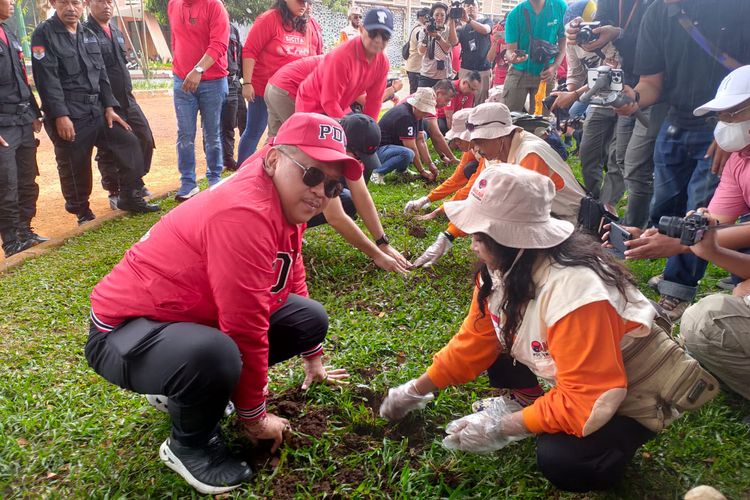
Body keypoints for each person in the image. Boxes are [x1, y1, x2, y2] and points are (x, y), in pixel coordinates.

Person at [86, 113, 359, 495]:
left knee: (307, 319)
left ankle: (181, 387)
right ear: (274, 157)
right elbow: (245, 327)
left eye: (333, 186)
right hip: (122, 332)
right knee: (218, 353)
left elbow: (290, 267)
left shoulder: (280, 193)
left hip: (177, 320)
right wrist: (255, 418)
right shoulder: (245, 213)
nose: (320, 193)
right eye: (312, 175)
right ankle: (188, 446)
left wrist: (312, 355)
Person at [381, 165, 670, 492]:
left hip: (627, 390)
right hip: (576, 374)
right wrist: (416, 389)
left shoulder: (577, 296)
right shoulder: (503, 271)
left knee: (564, 459)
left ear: (508, 239)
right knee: (500, 338)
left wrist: (502, 428)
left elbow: (588, 401)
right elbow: (475, 341)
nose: (472, 245)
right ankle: (529, 400)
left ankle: (618, 442)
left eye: (478, 236)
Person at [615, 0, 750, 319]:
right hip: (681, 120)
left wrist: (683, 243)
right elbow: (716, 220)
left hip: (721, 128)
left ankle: (681, 287)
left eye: (732, 115)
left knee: (703, 205)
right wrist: (631, 99)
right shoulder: (658, 13)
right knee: (677, 207)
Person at [413, 102, 584, 267]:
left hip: (568, 220)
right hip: (540, 216)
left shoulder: (530, 155)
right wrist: (448, 235)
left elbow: (509, 211)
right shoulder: (495, 153)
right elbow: (480, 197)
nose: (477, 150)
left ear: (498, 136)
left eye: (479, 142)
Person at [31, 0, 157, 225]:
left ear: (83, 4)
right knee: (75, 163)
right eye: (64, 3)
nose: (71, 8)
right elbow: (46, 78)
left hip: (96, 109)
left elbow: (101, 74)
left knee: (129, 142)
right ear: (53, 3)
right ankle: (82, 212)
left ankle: (129, 195)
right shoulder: (44, 34)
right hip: (70, 113)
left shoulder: (87, 32)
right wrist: (60, 115)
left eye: (76, 2)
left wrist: (109, 107)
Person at [562, 0, 663, 229]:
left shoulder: (654, 8)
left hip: (643, 91)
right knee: (599, 154)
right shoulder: (604, 9)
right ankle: (595, 207)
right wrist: (568, 92)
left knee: (629, 163)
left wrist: (616, 34)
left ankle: (623, 223)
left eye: (589, 26)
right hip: (613, 94)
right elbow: (575, 72)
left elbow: (620, 58)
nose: (586, 32)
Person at [552, 2, 623, 213]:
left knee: (615, 157)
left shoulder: (608, 34)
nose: (580, 36)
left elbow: (611, 75)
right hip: (597, 100)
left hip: (623, 99)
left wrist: (573, 95)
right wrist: (566, 93)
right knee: (588, 151)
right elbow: (576, 74)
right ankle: (594, 199)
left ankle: (608, 207)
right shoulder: (572, 40)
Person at [84, 0, 155, 209]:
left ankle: (132, 182)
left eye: (109, 2)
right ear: (88, 4)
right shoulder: (86, 33)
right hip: (105, 103)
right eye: (100, 1)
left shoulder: (115, 30)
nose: (106, 5)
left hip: (127, 99)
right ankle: (115, 190)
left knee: (145, 138)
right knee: (110, 149)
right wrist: (106, 104)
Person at [237, 0, 322, 164]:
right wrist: (247, 83)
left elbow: (317, 56)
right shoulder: (269, 19)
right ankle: (241, 170)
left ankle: (271, 168)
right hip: (263, 90)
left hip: (295, 92)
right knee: (255, 130)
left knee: (281, 135)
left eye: (307, 1)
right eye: (299, 1)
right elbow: (250, 50)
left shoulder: (311, 24)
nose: (303, 5)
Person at [168, 0, 230, 201]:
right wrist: (178, 66)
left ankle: (214, 179)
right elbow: (175, 38)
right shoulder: (173, 4)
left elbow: (219, 44)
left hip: (212, 81)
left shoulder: (214, 6)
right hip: (182, 80)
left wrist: (198, 70)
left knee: (211, 134)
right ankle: (188, 182)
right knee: (184, 134)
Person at [0, 0, 47, 257]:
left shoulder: (9, 32)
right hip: (2, 124)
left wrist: (34, 113)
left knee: (27, 180)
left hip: (22, 119)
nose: (11, 3)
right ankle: (10, 242)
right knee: (6, 183)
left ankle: (25, 231)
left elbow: (22, 78)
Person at [296, 7, 392, 121]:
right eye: (373, 33)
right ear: (361, 30)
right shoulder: (342, 57)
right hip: (312, 105)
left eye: (385, 36)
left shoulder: (383, 63)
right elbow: (329, 101)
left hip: (337, 104)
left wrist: (370, 129)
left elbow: (374, 102)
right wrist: (347, 130)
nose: (378, 40)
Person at [404, 109, 483, 215]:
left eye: (459, 139)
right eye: (454, 139)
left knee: (471, 171)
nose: (456, 143)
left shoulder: (485, 153)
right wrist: (427, 199)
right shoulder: (471, 148)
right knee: (468, 169)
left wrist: (438, 211)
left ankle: (478, 203)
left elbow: (472, 186)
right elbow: (456, 180)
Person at [502, 0, 567, 113]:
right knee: (509, 117)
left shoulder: (560, 7)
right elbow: (510, 49)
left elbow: (563, 43)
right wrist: (512, 58)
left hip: (546, 73)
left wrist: (554, 67)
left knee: (541, 123)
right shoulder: (515, 14)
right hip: (519, 73)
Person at [372, 87, 439, 184]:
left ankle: (402, 171)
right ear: (416, 106)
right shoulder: (405, 116)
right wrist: (422, 171)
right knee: (408, 153)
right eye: (424, 111)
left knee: (423, 135)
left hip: (393, 146)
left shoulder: (417, 113)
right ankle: (377, 172)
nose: (425, 114)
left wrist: (430, 164)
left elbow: (420, 140)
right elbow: (412, 147)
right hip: (379, 151)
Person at [265, 55, 323, 139]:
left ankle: (266, 152)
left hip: (273, 85)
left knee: (274, 137)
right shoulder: (335, 64)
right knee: (298, 135)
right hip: (286, 88)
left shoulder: (329, 60)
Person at [219, 22, 247, 171]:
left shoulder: (232, 29)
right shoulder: (208, 25)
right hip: (217, 81)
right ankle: (224, 159)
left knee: (242, 119)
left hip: (235, 81)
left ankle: (245, 156)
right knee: (221, 124)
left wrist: (246, 80)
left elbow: (239, 54)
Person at [456, 0, 492, 104]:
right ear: (463, 8)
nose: (470, 7)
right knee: (463, 100)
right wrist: (451, 20)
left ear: (478, 8)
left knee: (481, 101)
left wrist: (468, 20)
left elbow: (485, 30)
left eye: (473, 5)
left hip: (483, 69)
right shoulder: (461, 28)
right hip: (465, 69)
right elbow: (453, 42)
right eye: (467, 5)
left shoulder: (486, 20)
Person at [416, 2, 458, 88]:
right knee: (424, 100)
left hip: (444, 76)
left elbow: (448, 48)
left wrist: (437, 37)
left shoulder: (448, 30)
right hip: (427, 74)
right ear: (432, 16)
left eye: (442, 15)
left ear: (446, 17)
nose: (439, 18)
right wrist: (427, 36)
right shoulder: (424, 30)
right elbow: (421, 52)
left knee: (442, 101)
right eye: (436, 15)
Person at [404, 8, 430, 94]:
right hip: (416, 69)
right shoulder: (420, 30)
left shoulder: (415, 28)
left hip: (412, 66)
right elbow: (423, 49)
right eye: (428, 17)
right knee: (415, 95)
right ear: (422, 17)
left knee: (414, 93)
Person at [486, 17, 508, 89]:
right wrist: (495, 41)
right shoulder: (498, 37)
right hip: (500, 76)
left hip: (518, 76)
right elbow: (490, 59)